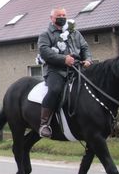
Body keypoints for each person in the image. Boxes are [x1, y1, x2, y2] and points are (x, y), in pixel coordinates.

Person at [37, 8, 92, 139]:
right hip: (55, 70)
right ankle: (44, 124)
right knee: (55, 90)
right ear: (52, 18)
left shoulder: (75, 33)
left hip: (76, 69)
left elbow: (85, 48)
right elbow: (45, 51)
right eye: (58, 15)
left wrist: (88, 59)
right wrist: (64, 59)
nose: (62, 17)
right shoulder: (46, 34)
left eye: (64, 15)